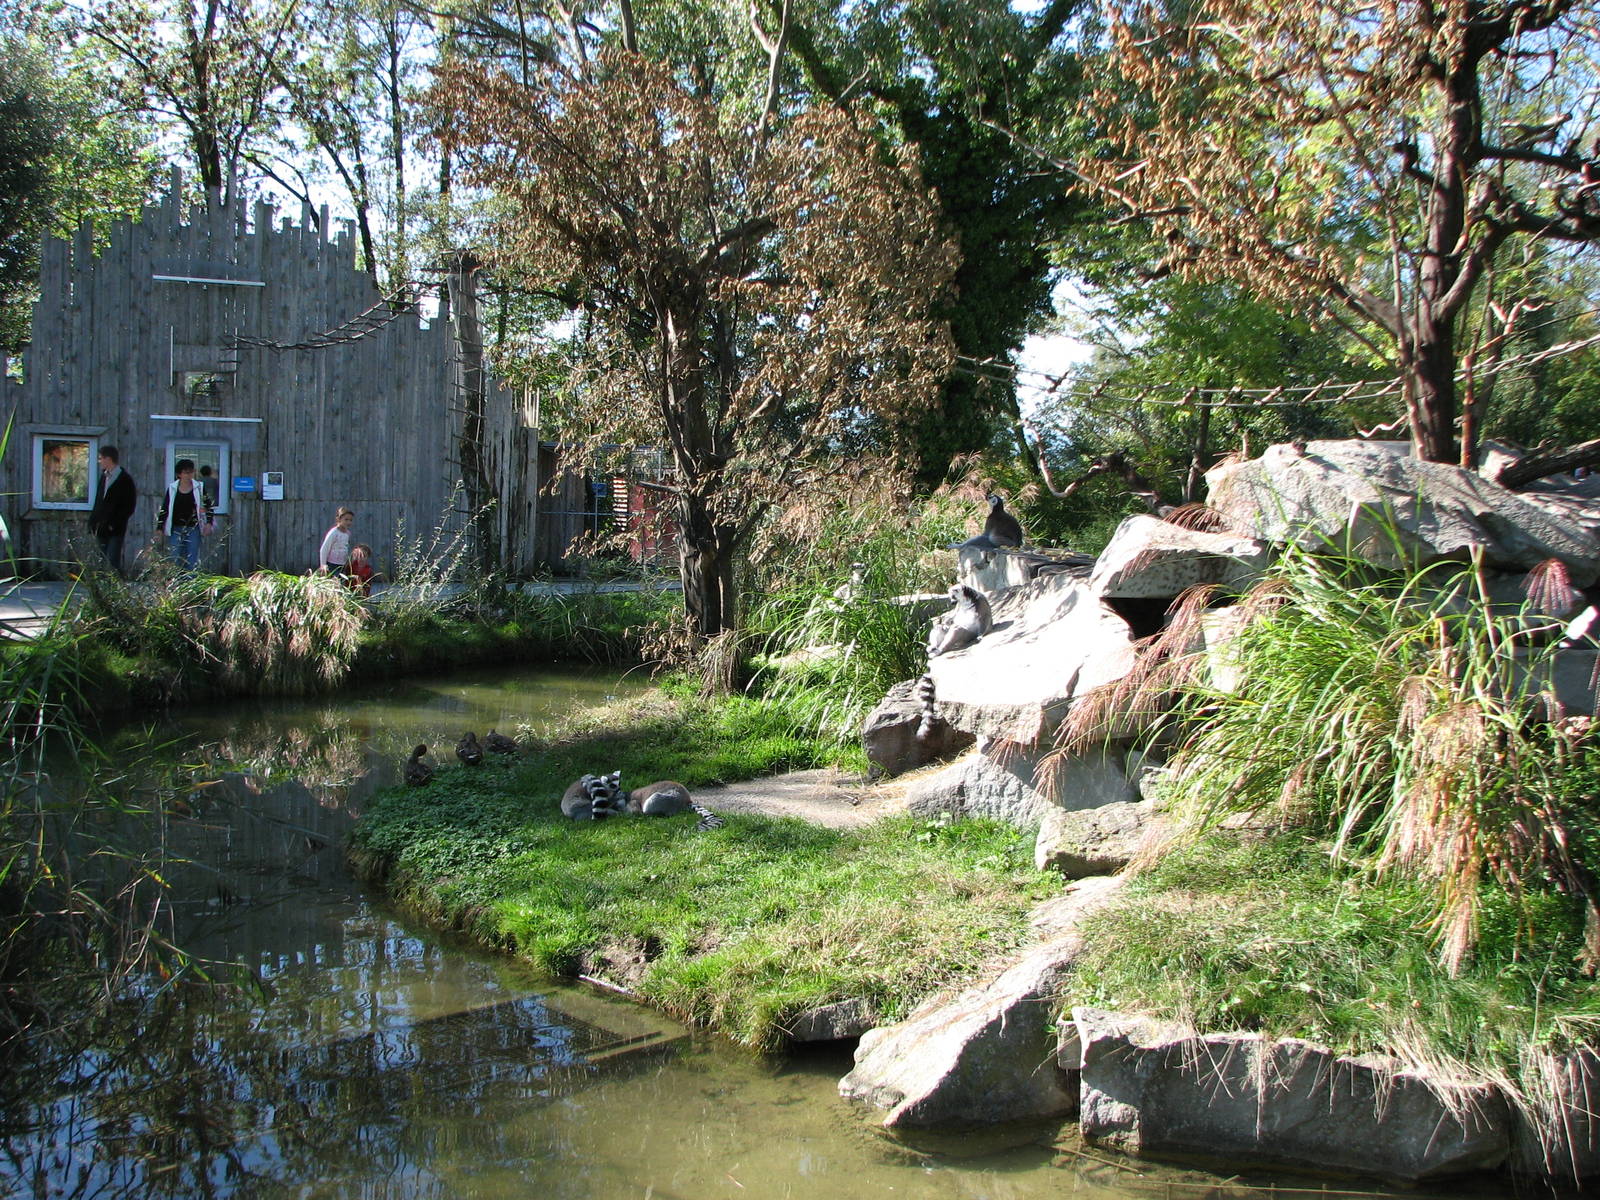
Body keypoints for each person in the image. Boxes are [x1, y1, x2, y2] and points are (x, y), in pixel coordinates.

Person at [87, 446, 137, 575]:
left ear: (108, 459)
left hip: (115, 529)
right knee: (101, 561)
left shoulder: (125, 479)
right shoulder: (104, 477)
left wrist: (113, 524)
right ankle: (102, 591)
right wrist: (93, 521)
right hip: (101, 527)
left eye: (101, 458)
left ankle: (117, 589)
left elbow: (129, 506)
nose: (100, 461)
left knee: (112, 561)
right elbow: (99, 501)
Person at [158, 459, 211, 570]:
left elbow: (208, 506)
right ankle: (175, 584)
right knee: (174, 558)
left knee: (192, 560)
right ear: (179, 474)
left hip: (193, 528)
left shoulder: (199, 487)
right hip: (176, 529)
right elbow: (165, 508)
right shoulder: (172, 488)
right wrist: (159, 527)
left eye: (191, 472)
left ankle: (190, 584)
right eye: (186, 472)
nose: (188, 475)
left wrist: (209, 523)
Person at [319, 507, 354, 576]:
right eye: (346, 519)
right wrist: (323, 565)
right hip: (332, 564)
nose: (348, 522)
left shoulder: (347, 533)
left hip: (342, 564)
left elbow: (345, 547)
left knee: (340, 583)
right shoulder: (334, 533)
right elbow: (324, 549)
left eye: (350, 520)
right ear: (338, 519)